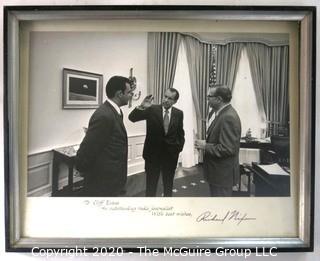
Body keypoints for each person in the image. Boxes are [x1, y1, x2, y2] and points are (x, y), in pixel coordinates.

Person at [75, 76, 133, 197]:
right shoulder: (104, 115)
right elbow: (88, 149)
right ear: (119, 94)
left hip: (112, 178)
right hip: (102, 182)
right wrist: (83, 170)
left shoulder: (116, 111)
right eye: (129, 92)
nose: (131, 95)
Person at [129, 88, 185, 197]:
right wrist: (141, 107)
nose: (165, 100)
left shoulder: (179, 113)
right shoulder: (151, 109)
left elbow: (180, 133)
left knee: (168, 185)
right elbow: (132, 118)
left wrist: (178, 149)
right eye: (165, 96)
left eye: (170, 98)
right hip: (152, 156)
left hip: (170, 156)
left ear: (175, 101)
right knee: (151, 186)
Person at [195, 85, 241, 197]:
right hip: (219, 174)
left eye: (209, 96)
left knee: (221, 207)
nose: (207, 99)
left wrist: (205, 146)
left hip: (222, 175)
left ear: (219, 99)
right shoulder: (223, 113)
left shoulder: (228, 117)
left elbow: (227, 149)